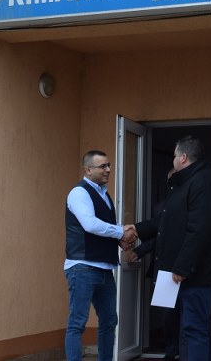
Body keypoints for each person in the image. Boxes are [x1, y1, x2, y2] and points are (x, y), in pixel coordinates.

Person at [135, 136, 211, 361]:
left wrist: (183, 267)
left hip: (193, 274)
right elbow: (166, 224)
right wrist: (135, 229)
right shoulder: (184, 184)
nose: (172, 159)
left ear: (183, 157)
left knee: (194, 328)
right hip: (179, 272)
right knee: (189, 327)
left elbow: (199, 230)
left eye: (174, 155)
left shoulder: (203, 182)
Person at [64, 150, 136, 361]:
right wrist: (121, 231)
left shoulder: (104, 194)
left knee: (109, 321)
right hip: (82, 267)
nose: (108, 170)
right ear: (88, 170)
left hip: (104, 268)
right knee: (77, 323)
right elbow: (90, 224)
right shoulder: (79, 192)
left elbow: (104, 226)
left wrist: (120, 237)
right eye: (103, 166)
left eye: (109, 165)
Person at [126, 169, 181, 361]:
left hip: (188, 267)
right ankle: (172, 349)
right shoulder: (160, 208)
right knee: (167, 313)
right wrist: (139, 250)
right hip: (165, 268)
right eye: (171, 180)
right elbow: (158, 236)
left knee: (189, 313)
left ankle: (186, 350)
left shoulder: (193, 204)